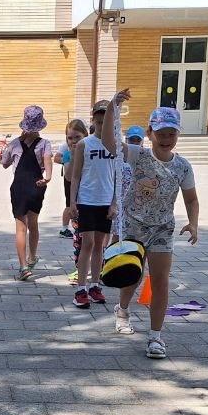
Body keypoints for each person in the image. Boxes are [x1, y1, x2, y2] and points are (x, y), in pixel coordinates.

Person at [102, 90, 200, 359]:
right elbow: (109, 143)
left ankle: (156, 337)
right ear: (150, 133)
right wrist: (113, 106)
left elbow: (191, 199)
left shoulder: (182, 166)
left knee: (160, 281)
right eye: (161, 134)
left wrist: (193, 223)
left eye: (172, 134)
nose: (166, 139)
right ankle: (122, 308)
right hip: (133, 225)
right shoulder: (136, 155)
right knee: (131, 276)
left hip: (162, 229)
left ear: (178, 134)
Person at [68, 102, 120, 307]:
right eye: (98, 118)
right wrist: (73, 202)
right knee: (87, 243)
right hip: (87, 199)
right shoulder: (85, 144)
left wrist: (114, 203)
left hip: (106, 201)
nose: (101, 121)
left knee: (101, 244)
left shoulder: (116, 144)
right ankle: (81, 288)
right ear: (94, 120)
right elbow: (76, 176)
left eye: (106, 117)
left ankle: (95, 285)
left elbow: (117, 176)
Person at [2, 105, 53, 281]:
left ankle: (23, 266)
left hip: (19, 187)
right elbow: (47, 162)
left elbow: (4, 163)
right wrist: (48, 177)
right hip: (37, 186)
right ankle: (32, 257)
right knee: (33, 223)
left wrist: (12, 146)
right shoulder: (45, 144)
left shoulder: (15, 143)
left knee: (20, 228)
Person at [55, 118, 88, 238]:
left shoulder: (91, 149)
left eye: (77, 137)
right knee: (70, 205)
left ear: (85, 135)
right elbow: (69, 177)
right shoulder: (68, 152)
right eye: (70, 138)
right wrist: (72, 157)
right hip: (73, 185)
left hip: (89, 190)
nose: (73, 141)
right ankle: (66, 228)